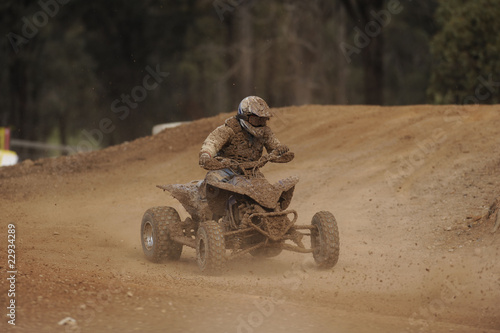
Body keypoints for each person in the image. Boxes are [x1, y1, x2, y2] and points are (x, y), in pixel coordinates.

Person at [199, 96, 293, 185]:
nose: (260, 124)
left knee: (265, 190)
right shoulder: (229, 129)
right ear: (244, 116)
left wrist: (280, 150)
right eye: (256, 120)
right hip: (226, 169)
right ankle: (203, 200)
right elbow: (213, 142)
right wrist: (206, 154)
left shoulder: (265, 132)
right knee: (213, 182)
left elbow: (274, 147)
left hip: (251, 171)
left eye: (263, 120)